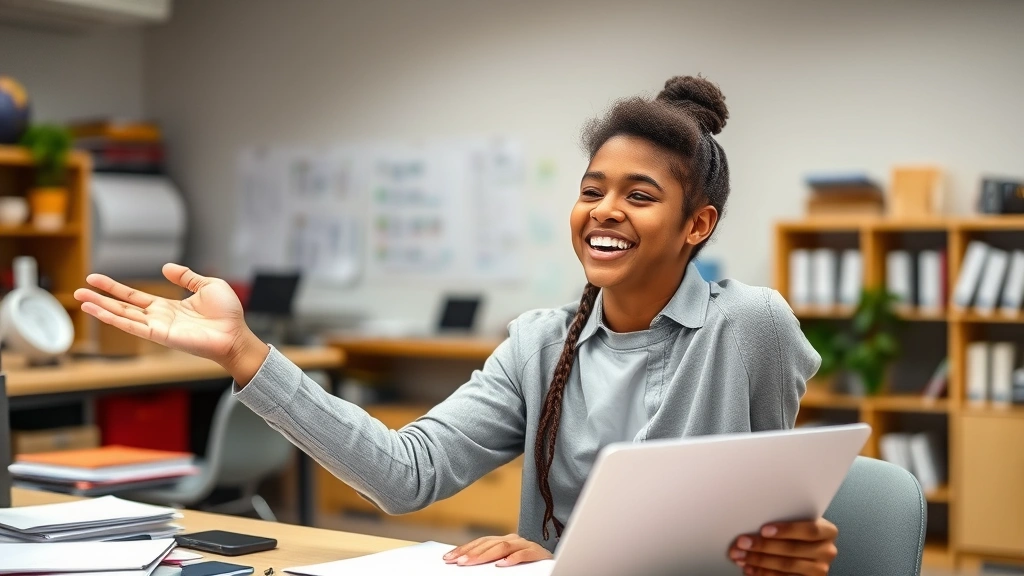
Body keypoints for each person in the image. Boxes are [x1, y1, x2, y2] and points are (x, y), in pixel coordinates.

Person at [76, 75, 837, 576]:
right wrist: (247, 354)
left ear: (697, 224)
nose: (604, 211)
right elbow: (406, 475)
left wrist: (788, 548)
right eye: (592, 189)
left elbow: (765, 516)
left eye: (640, 196)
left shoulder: (749, 325)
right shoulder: (541, 342)